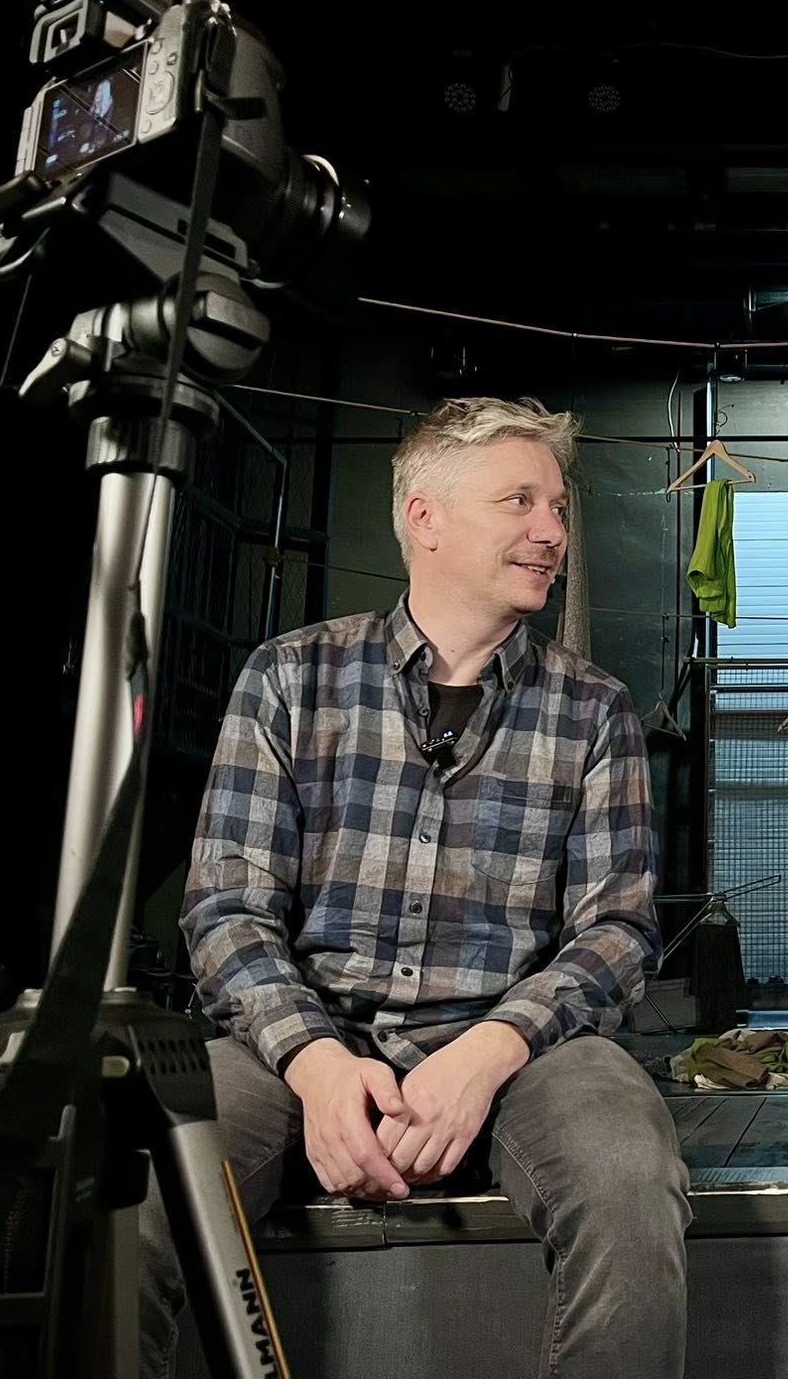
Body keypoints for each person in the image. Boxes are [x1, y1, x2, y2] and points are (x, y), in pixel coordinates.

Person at [140, 397, 691, 1378]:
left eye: (558, 508)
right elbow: (226, 908)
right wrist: (315, 1064)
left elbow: (615, 930)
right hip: (302, 1042)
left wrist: (486, 1053)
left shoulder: (594, 709)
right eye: (519, 502)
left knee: (626, 1171)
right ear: (424, 517)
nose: (552, 532)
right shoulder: (291, 678)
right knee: (132, 1187)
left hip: (522, 1053)